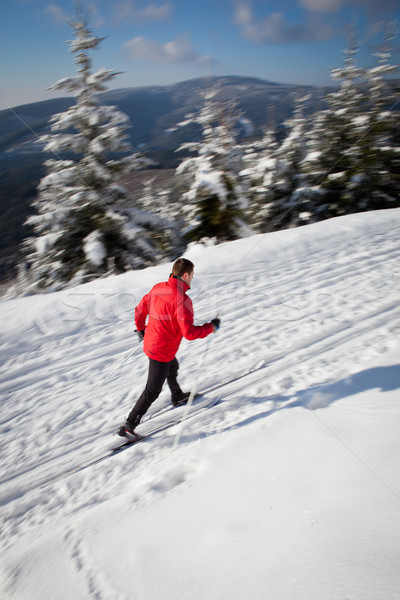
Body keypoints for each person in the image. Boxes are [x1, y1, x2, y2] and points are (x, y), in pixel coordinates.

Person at [118, 257, 220, 438]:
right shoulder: (182, 300)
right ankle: (129, 425)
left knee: (173, 366)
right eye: (192, 275)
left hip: (153, 342)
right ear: (186, 275)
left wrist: (141, 329)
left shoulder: (158, 288)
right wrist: (210, 327)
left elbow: (140, 310)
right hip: (161, 350)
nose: (192, 278)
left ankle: (176, 394)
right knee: (152, 390)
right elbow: (188, 333)